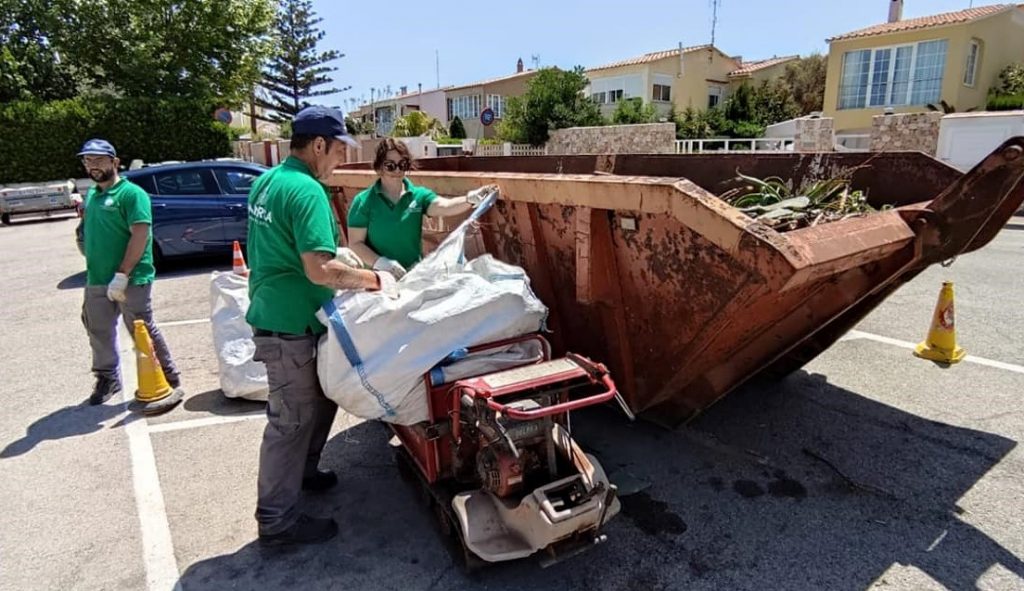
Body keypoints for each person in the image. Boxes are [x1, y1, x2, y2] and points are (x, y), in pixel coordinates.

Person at [246, 105, 392, 547]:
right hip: (288, 325)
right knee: (290, 421)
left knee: (321, 401)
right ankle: (276, 521)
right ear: (318, 145)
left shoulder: (266, 181)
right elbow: (318, 269)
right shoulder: (307, 191)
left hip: (283, 314)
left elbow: (278, 248)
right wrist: (373, 280)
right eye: (337, 151)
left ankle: (304, 474)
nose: (340, 162)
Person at [78, 138, 181, 405]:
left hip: (132, 278)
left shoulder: (132, 195)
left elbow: (140, 236)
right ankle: (106, 377)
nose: (93, 166)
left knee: (141, 328)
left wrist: (123, 274)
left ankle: (168, 376)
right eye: (88, 161)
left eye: (99, 160)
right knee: (97, 329)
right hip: (97, 279)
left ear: (114, 162)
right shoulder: (93, 194)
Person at [346, 138, 496, 278]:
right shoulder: (363, 202)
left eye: (402, 164)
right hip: (377, 279)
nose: (397, 171)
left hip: (411, 275)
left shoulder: (418, 196)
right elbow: (355, 243)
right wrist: (381, 263)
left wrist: (469, 199)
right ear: (379, 169)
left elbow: (444, 206)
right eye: (390, 166)